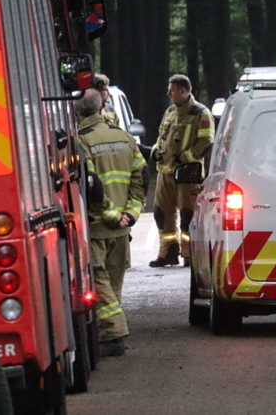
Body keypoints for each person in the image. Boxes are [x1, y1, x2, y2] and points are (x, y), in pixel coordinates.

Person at [74, 89, 146, 357]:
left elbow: (92, 187)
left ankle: (113, 336)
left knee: (100, 284)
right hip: (122, 230)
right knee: (113, 288)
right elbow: (141, 178)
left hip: (98, 228)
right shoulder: (125, 137)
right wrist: (131, 213)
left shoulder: (82, 141)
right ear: (102, 106)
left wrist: (113, 215)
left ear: (76, 111)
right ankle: (109, 334)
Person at [149, 74, 214, 268]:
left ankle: (189, 253)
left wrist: (184, 158)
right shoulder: (169, 111)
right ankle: (168, 252)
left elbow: (206, 142)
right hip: (165, 172)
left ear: (184, 91)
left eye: (173, 90)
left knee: (188, 215)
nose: (169, 93)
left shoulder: (200, 113)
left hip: (188, 174)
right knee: (161, 213)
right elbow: (161, 137)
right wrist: (156, 151)